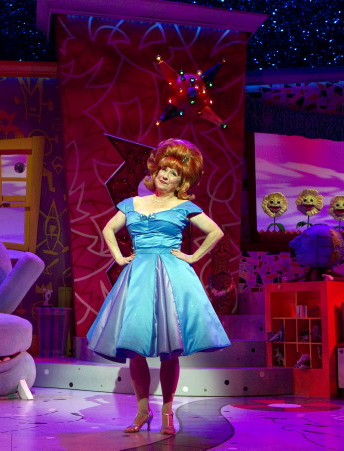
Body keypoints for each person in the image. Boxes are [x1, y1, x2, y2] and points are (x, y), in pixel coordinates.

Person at [87, 138, 231, 435]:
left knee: (170, 349)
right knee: (134, 346)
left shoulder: (184, 207)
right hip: (138, 277)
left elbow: (215, 232)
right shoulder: (133, 203)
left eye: (174, 173)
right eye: (164, 169)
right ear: (155, 170)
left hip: (171, 276)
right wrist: (118, 257)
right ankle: (142, 411)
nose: (166, 175)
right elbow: (109, 229)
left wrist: (193, 257)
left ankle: (167, 412)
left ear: (182, 182)